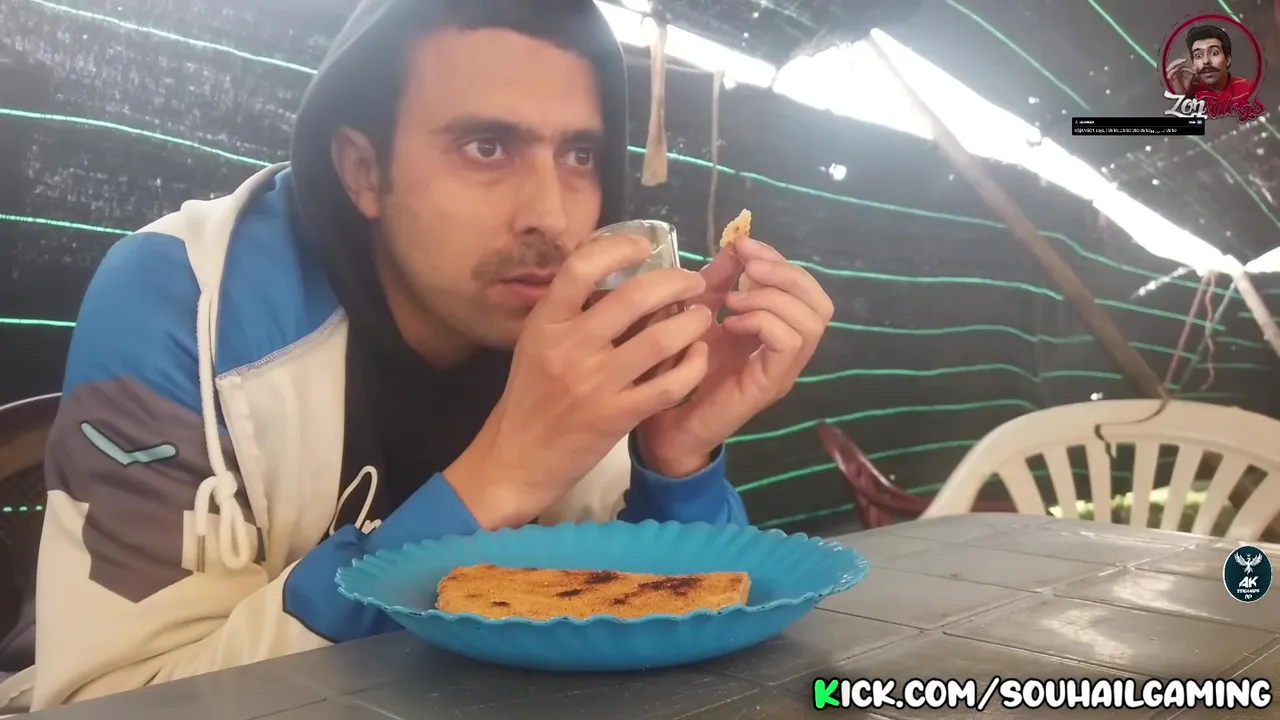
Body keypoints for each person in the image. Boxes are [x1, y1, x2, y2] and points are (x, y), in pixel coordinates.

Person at [0, 0, 833, 711]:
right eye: (487, 147)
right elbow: (119, 702)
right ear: (364, 169)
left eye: (579, 155)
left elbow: (664, 659)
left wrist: (674, 463)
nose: (551, 216)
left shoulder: (588, 321)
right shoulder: (185, 298)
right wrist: (493, 483)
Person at [1166, 24, 1256, 105]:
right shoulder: (1189, 92)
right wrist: (1181, 97)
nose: (1206, 61)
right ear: (1193, 64)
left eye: (1214, 53)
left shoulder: (1248, 90)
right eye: (1198, 55)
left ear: (1227, 60)